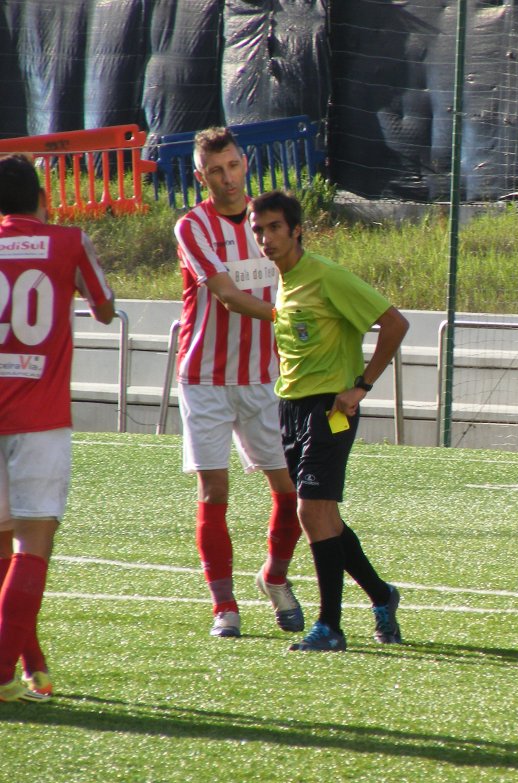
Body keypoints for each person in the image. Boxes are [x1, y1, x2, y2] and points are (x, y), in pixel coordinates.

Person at [249, 190, 408, 652]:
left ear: (296, 230)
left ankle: (330, 627)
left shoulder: (327, 276)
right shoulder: (285, 281)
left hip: (330, 410)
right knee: (325, 516)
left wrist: (362, 386)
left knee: (310, 511)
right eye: (259, 230)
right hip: (291, 408)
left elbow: (394, 323)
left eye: (275, 227)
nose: (266, 238)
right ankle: (381, 596)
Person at [174, 128, 304, 638]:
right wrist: (288, 319)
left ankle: (274, 576)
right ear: (200, 175)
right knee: (214, 491)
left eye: (232, 166)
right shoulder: (192, 226)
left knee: (291, 491)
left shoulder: (267, 221)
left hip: (265, 377)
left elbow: (299, 279)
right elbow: (227, 296)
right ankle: (224, 606)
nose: (226, 179)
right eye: (215, 170)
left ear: (245, 163)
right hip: (205, 377)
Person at [0, 153, 116, 702]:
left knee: (4, 548)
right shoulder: (68, 242)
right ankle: (3, 671)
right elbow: (105, 308)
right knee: (33, 543)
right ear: (43, 197)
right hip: (40, 419)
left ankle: (34, 668)